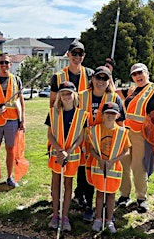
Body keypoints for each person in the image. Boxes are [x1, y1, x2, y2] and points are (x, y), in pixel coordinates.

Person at [115, 63, 154, 213]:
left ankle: (141, 198)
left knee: (139, 166)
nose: (138, 76)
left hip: (143, 134)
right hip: (126, 132)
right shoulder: (132, 90)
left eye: (140, 73)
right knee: (124, 164)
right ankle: (124, 195)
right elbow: (114, 90)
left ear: (147, 73)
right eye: (134, 74)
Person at [48, 39, 94, 209]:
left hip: (81, 124)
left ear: (84, 56)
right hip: (62, 124)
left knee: (81, 160)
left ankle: (79, 194)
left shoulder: (90, 74)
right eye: (73, 53)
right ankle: (57, 199)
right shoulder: (58, 76)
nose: (77, 56)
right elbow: (52, 102)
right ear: (68, 55)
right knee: (61, 160)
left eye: (80, 53)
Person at [78, 66, 126, 221]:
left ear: (109, 81)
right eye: (98, 77)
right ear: (92, 78)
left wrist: (118, 147)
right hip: (84, 142)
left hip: (106, 144)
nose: (101, 81)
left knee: (102, 174)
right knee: (85, 175)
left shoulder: (114, 98)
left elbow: (121, 123)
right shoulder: (81, 96)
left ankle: (103, 205)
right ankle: (88, 205)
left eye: (105, 78)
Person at [45, 81, 89, 232]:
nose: (66, 96)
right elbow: (50, 135)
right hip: (56, 155)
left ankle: (65, 216)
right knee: (55, 184)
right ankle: (55, 215)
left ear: (74, 94)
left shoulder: (82, 115)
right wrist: (58, 150)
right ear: (59, 95)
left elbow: (80, 138)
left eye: (68, 93)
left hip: (72, 156)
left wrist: (67, 152)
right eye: (63, 93)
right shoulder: (53, 112)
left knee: (68, 184)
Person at [87, 102, 131, 233]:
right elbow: (90, 148)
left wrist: (113, 161)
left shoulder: (122, 132)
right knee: (99, 193)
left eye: (113, 113)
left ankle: (109, 220)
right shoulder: (95, 130)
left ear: (118, 115)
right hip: (99, 166)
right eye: (108, 113)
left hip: (114, 168)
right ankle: (98, 218)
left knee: (111, 194)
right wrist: (99, 159)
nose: (110, 116)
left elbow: (126, 150)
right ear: (102, 114)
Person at [0, 53, 25, 187]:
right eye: (1, 63)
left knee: (10, 149)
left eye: (6, 63)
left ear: (10, 64)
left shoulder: (16, 80)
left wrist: (22, 120)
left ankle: (9, 176)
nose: (4, 65)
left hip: (12, 120)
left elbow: (21, 100)